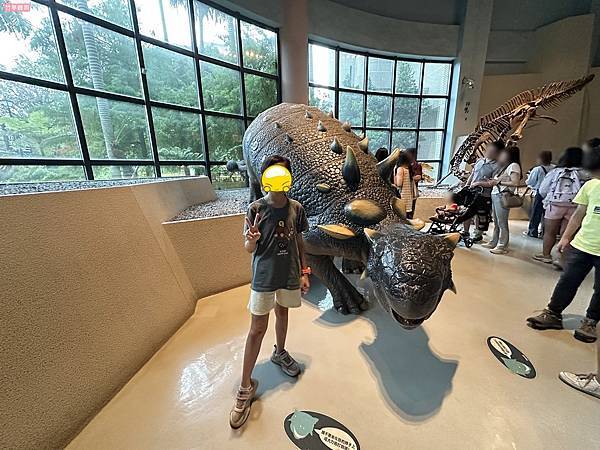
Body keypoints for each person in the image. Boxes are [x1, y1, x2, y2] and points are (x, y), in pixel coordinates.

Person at [230, 155, 311, 429]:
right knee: (256, 328)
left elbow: (299, 240)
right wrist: (251, 240)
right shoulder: (255, 209)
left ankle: (280, 352)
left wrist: (304, 271)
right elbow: (249, 248)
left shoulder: (297, 208)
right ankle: (245, 386)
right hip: (264, 277)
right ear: (265, 177)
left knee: (283, 314)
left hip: (288, 274)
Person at [527, 144, 600, 344]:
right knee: (567, 280)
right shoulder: (591, 185)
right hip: (582, 245)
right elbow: (578, 215)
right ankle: (553, 313)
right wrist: (566, 238)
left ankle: (590, 322)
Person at [532, 147, 588, 264]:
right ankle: (562, 259)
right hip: (574, 207)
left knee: (549, 232)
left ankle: (546, 255)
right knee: (566, 234)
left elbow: (543, 190)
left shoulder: (555, 172)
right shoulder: (584, 174)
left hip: (554, 205)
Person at [479, 146, 522, 254]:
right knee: (496, 222)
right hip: (496, 194)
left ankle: (502, 245)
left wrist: (498, 182)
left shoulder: (514, 166)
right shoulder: (505, 166)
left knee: (502, 222)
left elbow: (515, 182)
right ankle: (494, 241)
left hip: (502, 195)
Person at [463, 140, 502, 241]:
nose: (489, 152)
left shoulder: (497, 166)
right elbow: (473, 174)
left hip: (484, 194)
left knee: (479, 214)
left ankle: (477, 233)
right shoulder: (479, 161)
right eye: (488, 149)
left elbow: (493, 182)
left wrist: (479, 183)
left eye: (492, 151)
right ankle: (465, 232)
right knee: (467, 212)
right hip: (472, 191)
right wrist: (467, 186)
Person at [524, 150, 554, 238]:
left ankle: (532, 231)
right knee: (547, 215)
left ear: (540, 159)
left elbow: (530, 182)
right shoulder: (555, 168)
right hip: (551, 194)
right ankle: (544, 232)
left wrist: (528, 179)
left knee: (536, 214)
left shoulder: (537, 169)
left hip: (540, 193)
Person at [394, 151, 415, 218]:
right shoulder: (408, 169)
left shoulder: (400, 169)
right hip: (408, 197)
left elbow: (399, 184)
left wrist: (394, 178)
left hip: (402, 196)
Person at [405, 147, 422, 217]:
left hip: (412, 190)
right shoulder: (405, 165)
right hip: (405, 190)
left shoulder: (416, 165)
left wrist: (407, 179)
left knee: (410, 209)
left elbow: (418, 177)